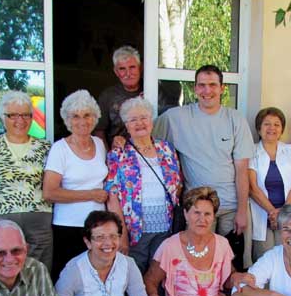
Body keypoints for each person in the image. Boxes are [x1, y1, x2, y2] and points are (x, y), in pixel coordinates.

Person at [153, 65, 255, 242]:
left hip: (231, 207)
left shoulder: (235, 119)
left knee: (232, 258)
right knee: (199, 256)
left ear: (222, 88)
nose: (207, 91)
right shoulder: (176, 118)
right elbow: (145, 135)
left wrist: (242, 211)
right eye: (201, 85)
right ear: (195, 88)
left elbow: (242, 171)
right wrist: (121, 140)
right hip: (198, 209)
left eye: (213, 85)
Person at [0, 91, 53, 272]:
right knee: (3, 271)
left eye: (26, 115)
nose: (20, 120)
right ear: (3, 117)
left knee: (38, 273)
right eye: (13, 115)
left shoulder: (46, 148)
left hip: (38, 220)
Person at [106, 97, 182, 273]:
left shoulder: (167, 149)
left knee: (160, 275)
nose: (139, 123)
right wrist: (121, 233)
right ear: (126, 125)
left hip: (166, 227)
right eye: (133, 119)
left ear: (151, 121)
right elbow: (112, 197)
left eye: (144, 118)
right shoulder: (118, 153)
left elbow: (177, 184)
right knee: (133, 276)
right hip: (134, 230)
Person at [43, 89, 108, 281]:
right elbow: (49, 192)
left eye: (87, 115)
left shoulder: (99, 144)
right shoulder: (60, 149)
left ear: (95, 117)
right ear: (67, 120)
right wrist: (91, 194)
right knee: (68, 281)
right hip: (68, 226)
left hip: (97, 227)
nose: (82, 121)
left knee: (95, 279)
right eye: (75, 116)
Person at [249, 107, 291, 262]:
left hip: (287, 216)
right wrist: (273, 212)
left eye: (276, 124)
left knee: (286, 259)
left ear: (281, 129)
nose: (272, 128)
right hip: (262, 214)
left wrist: (282, 213)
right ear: (259, 128)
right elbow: (252, 188)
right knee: (264, 259)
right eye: (267, 124)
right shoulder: (251, 151)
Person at [95, 45, 143, 150]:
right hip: (118, 153)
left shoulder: (151, 91)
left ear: (140, 68)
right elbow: (99, 131)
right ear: (116, 72)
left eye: (132, 67)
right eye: (122, 69)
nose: (128, 74)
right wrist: (108, 155)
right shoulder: (108, 96)